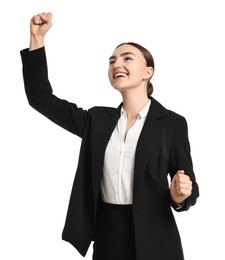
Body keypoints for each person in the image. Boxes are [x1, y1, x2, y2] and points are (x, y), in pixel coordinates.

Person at [20, 12, 199, 260]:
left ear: (148, 71)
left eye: (127, 58)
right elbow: (40, 99)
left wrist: (180, 196)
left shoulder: (172, 124)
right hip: (107, 237)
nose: (116, 65)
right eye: (112, 60)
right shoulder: (96, 121)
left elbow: (189, 187)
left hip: (156, 239)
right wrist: (36, 39)